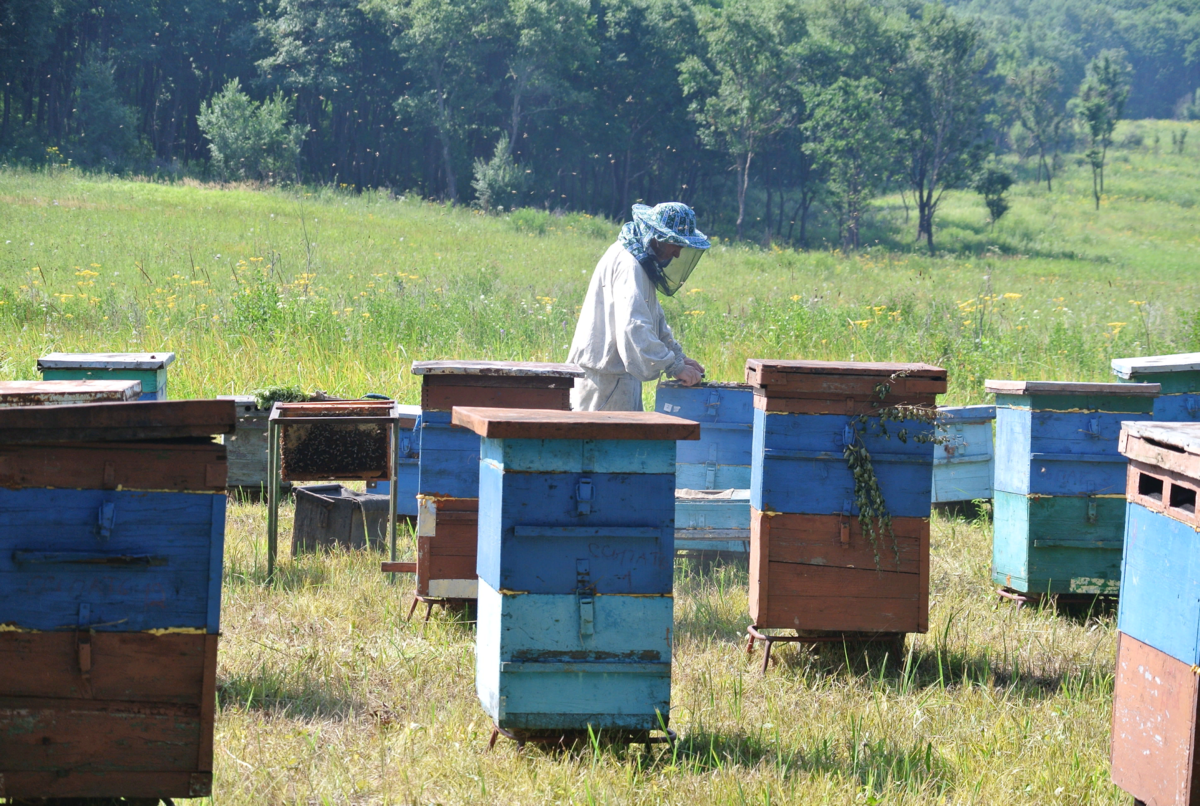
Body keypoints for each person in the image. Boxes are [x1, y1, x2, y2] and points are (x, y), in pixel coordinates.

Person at [568, 201, 711, 411]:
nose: (678, 254)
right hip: (605, 382)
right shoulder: (630, 265)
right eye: (676, 244)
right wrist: (674, 366)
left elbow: (653, 317)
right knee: (604, 434)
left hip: (615, 378)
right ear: (658, 237)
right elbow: (634, 325)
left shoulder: (638, 258)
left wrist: (678, 357)